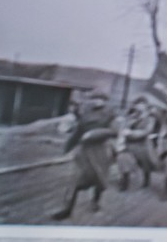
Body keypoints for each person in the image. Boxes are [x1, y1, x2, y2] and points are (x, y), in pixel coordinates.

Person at [50, 91, 119, 220]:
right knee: (75, 180)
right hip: (84, 152)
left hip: (101, 150)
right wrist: (68, 147)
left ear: (105, 101)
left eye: (100, 98)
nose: (97, 101)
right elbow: (78, 131)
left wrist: (96, 133)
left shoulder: (110, 114)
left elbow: (114, 131)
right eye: (94, 98)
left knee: (99, 179)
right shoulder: (85, 113)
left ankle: (96, 201)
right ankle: (67, 209)